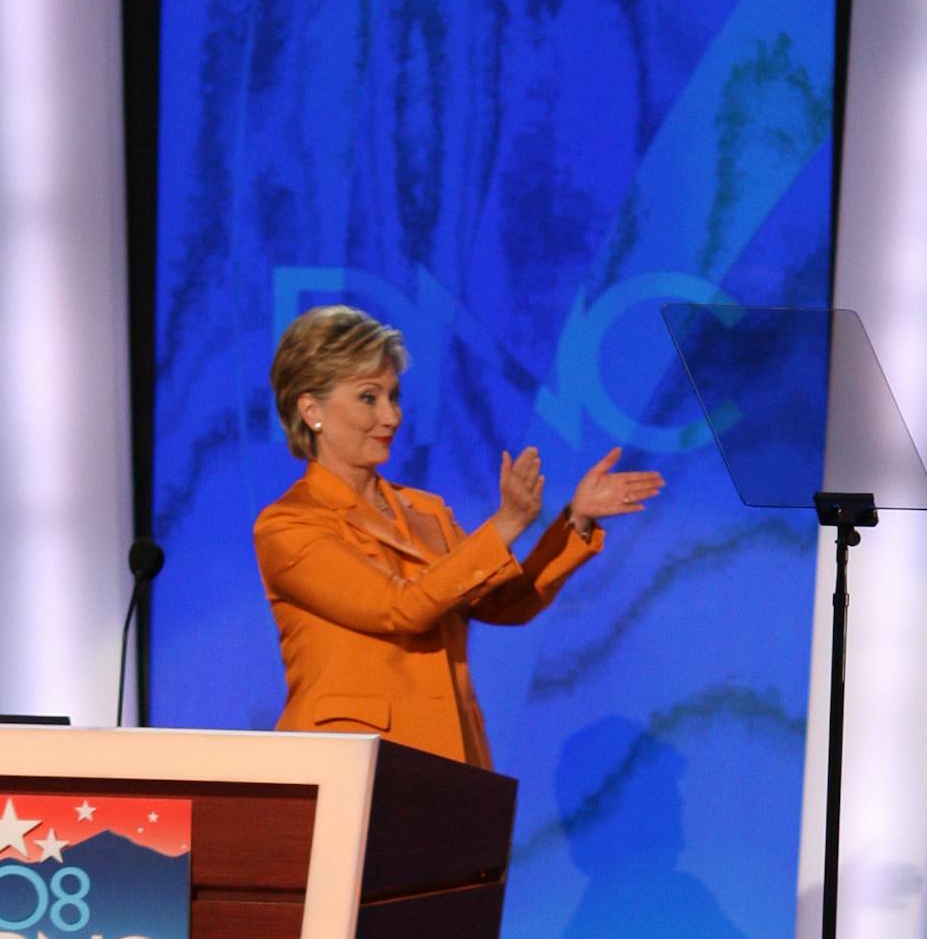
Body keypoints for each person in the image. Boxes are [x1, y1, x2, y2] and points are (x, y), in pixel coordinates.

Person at [256, 305, 662, 767]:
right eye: (369, 398)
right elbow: (403, 609)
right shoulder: (289, 524)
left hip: (452, 758)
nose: (391, 416)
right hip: (350, 766)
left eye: (394, 396)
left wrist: (576, 520)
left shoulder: (426, 511)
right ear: (311, 410)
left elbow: (503, 603)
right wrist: (506, 524)